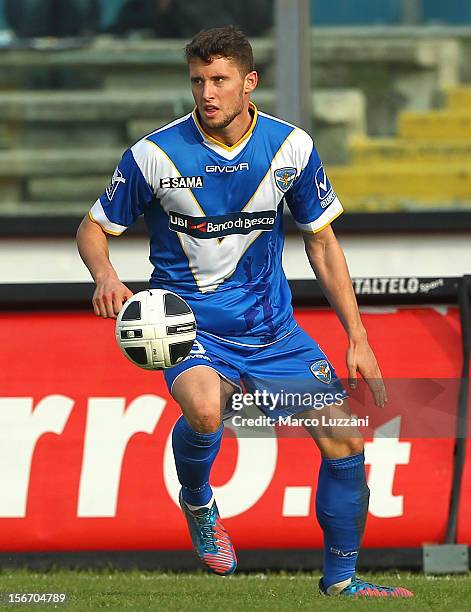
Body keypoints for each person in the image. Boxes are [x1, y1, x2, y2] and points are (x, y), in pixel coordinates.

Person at [76, 26, 413, 598]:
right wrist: (106, 275)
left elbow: (322, 243)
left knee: (345, 442)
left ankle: (343, 582)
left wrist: (356, 335)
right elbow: (93, 227)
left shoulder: (291, 148)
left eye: (219, 81)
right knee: (207, 411)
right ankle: (199, 500)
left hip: (273, 330)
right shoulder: (154, 155)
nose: (206, 93)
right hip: (189, 325)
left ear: (249, 83)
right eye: (197, 81)